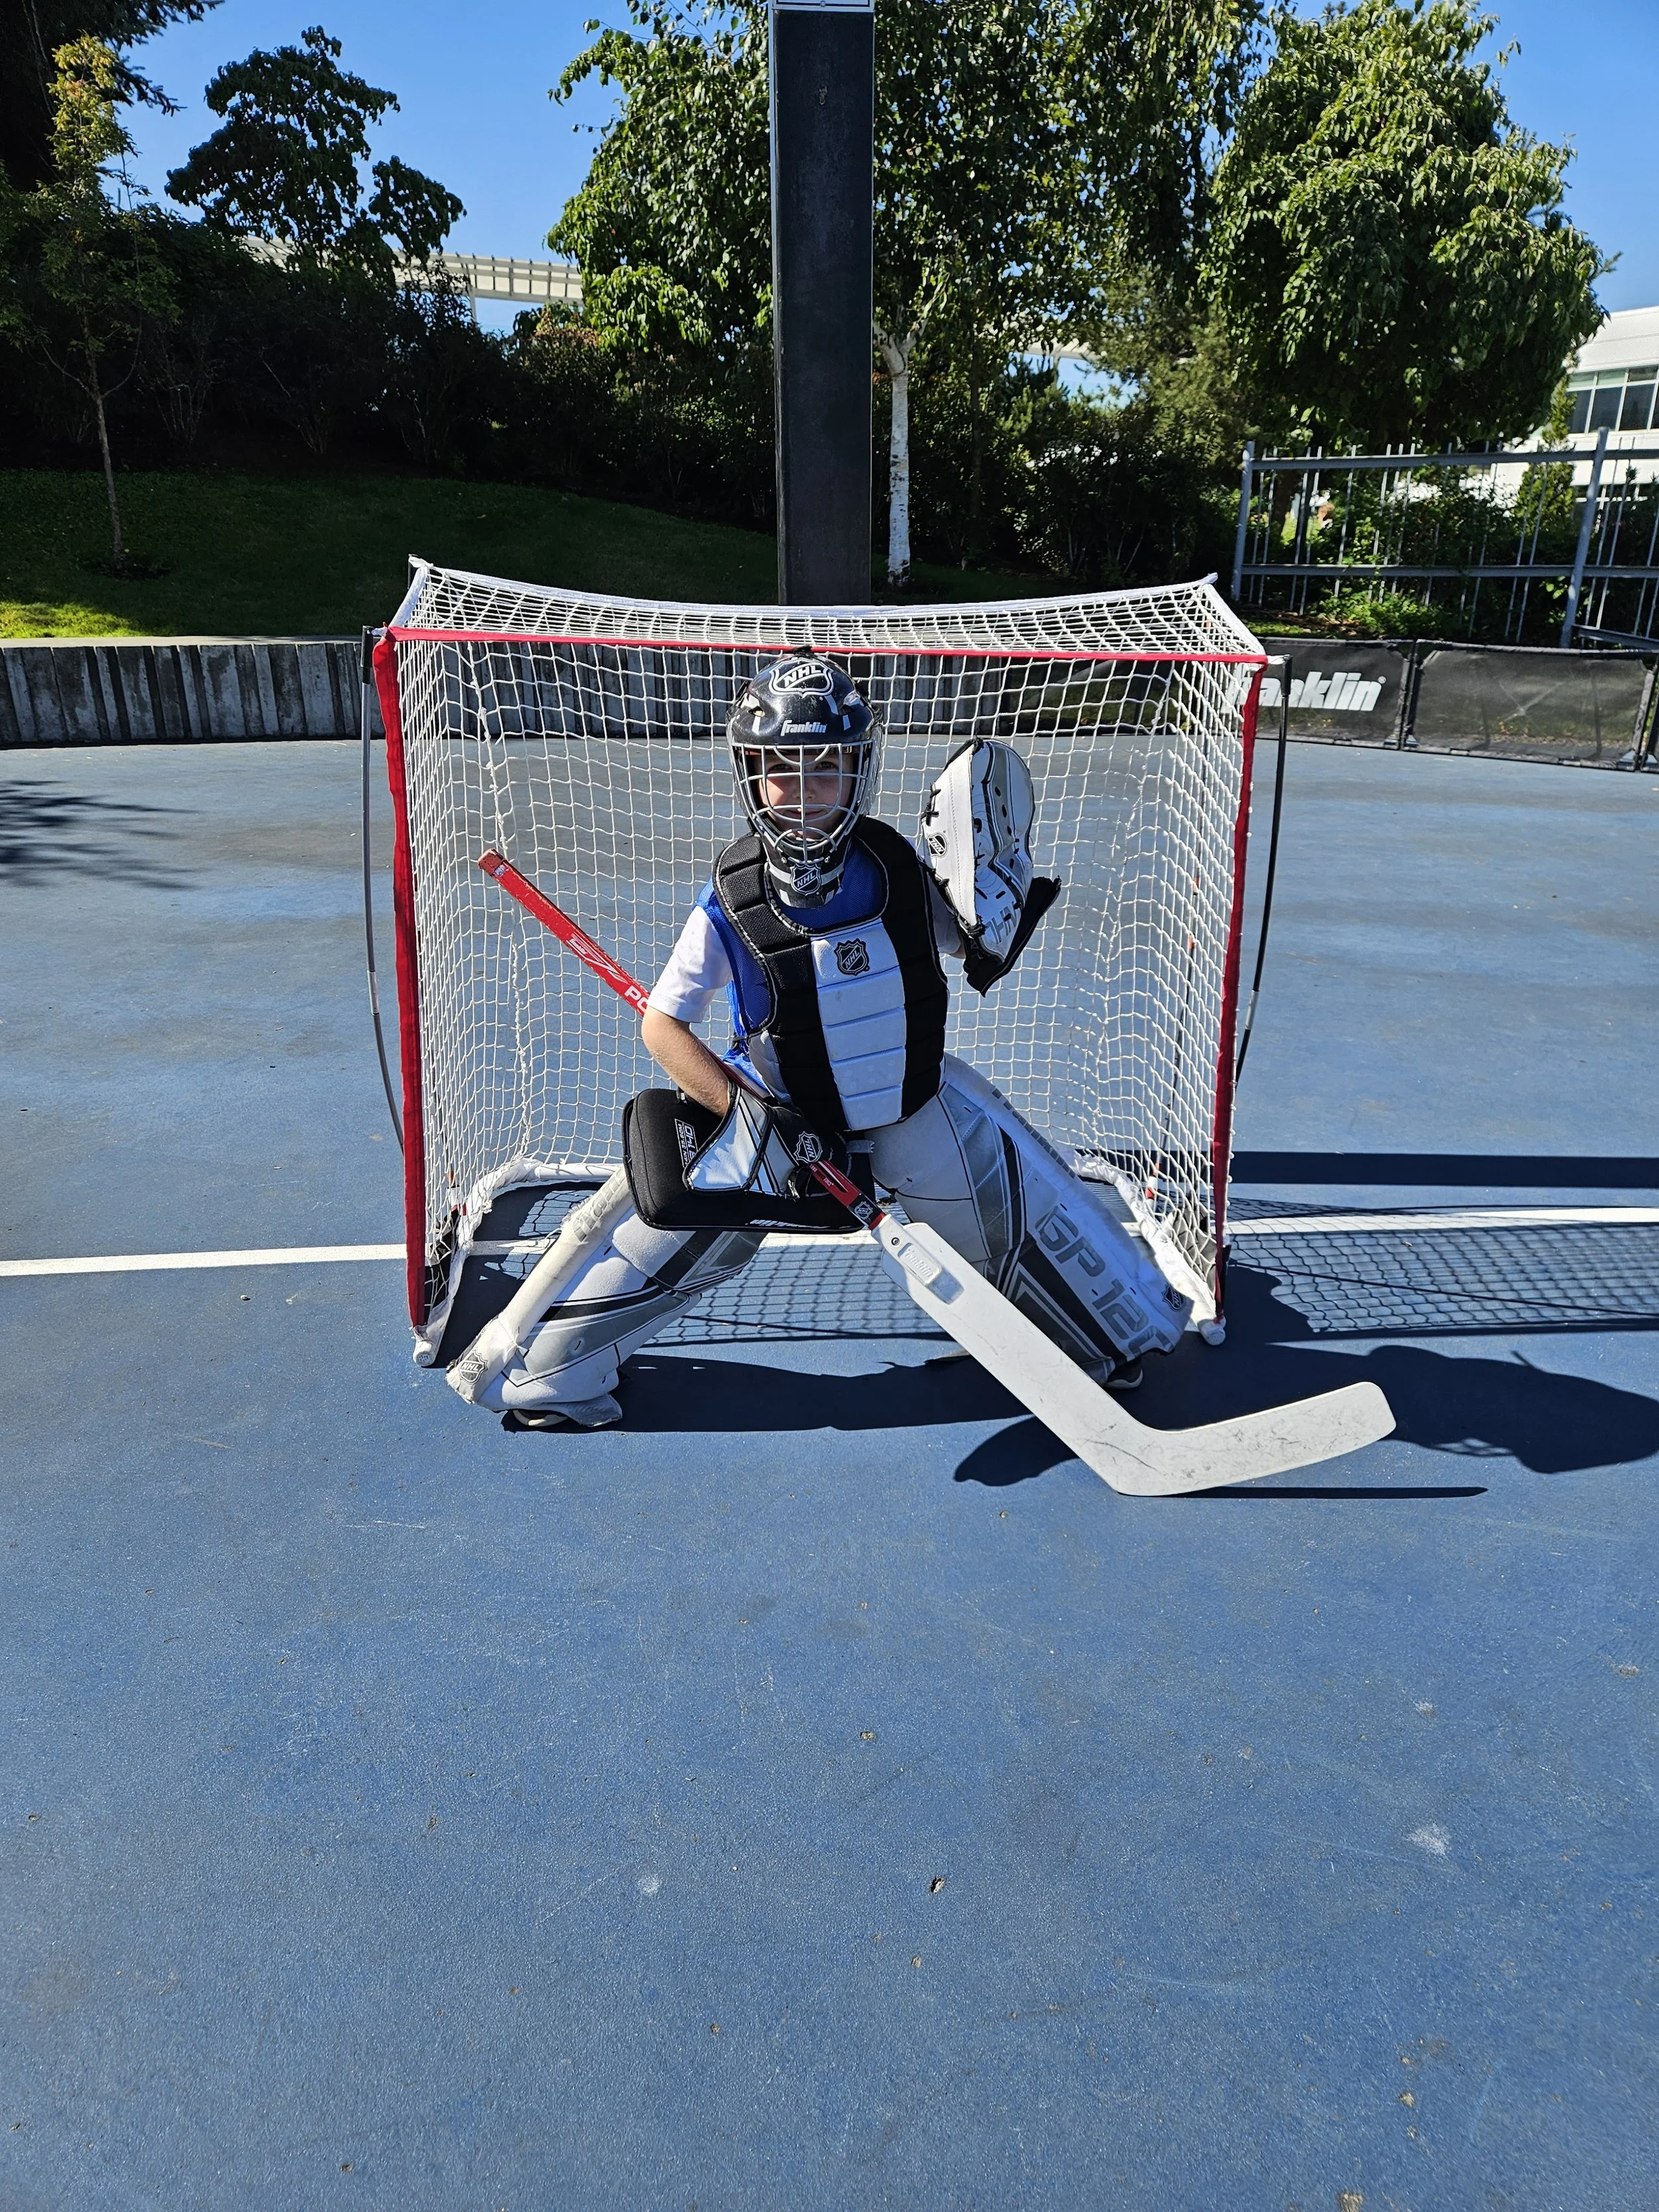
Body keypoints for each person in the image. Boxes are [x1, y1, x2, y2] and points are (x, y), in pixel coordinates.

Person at [446, 654, 1191, 1428]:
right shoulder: (730, 902)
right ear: (750, 774)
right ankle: (553, 1376)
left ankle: (1104, 1338)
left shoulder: (897, 868)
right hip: (780, 1128)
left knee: (1022, 1220)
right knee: (680, 1241)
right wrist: (746, 1116)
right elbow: (662, 1026)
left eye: (824, 769)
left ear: (858, 771)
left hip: (914, 1111)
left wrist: (999, 902)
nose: (802, 795)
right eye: (780, 771)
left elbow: (971, 949)